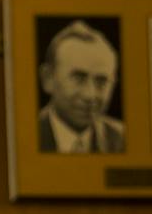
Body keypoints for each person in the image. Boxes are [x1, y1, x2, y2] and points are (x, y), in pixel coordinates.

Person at [37, 21, 124, 154]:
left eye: (101, 82)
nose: (90, 95)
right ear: (48, 79)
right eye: (78, 78)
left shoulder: (122, 140)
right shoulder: (26, 134)